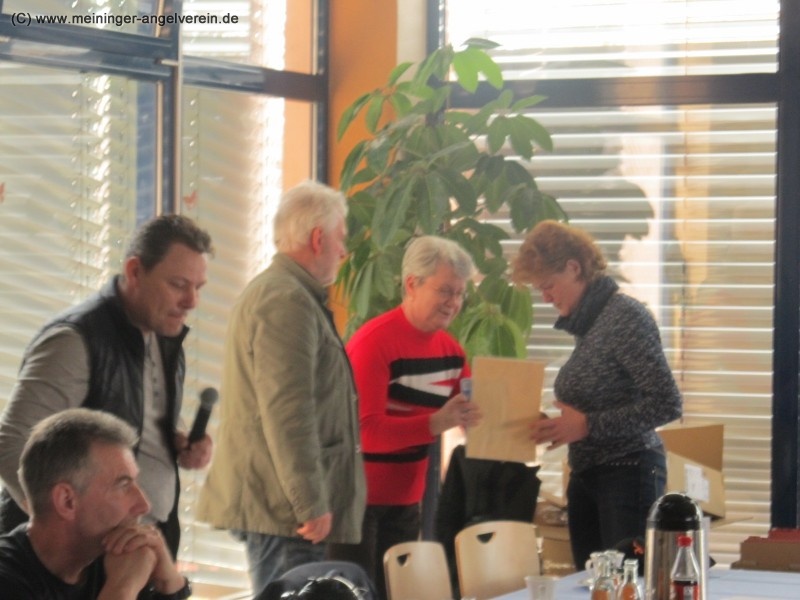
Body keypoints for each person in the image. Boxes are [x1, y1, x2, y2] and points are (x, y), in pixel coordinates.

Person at [0, 214, 214, 557]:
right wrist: (73, 532)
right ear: (134, 271)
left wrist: (178, 442)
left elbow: (134, 424)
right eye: (178, 284)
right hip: (81, 560)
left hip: (140, 547)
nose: (192, 301)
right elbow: (12, 444)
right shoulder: (74, 341)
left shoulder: (165, 336)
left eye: (198, 288)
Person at [196, 180, 366, 597]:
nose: (343, 251)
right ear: (318, 238)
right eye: (340, 238)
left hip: (283, 505)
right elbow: (288, 412)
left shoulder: (292, 294)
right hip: (286, 511)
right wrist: (310, 502)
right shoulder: (286, 299)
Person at [511, 219, 682, 569]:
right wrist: (558, 426)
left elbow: (667, 403)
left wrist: (588, 426)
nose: (545, 298)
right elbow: (604, 399)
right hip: (589, 473)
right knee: (590, 587)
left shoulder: (624, 317)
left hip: (627, 473)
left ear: (574, 268)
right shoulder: (591, 324)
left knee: (627, 586)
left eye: (548, 286)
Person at [327, 235, 483, 599]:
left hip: (407, 500)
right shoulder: (373, 342)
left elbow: (474, 413)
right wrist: (436, 423)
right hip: (355, 502)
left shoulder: (451, 351)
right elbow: (364, 431)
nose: (454, 303)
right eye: (445, 291)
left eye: (460, 293)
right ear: (412, 284)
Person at [0, 408, 192, 599]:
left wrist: (169, 583)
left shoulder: (113, 558)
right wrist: (122, 588)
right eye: (123, 485)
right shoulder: (7, 579)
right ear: (67, 501)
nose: (144, 505)